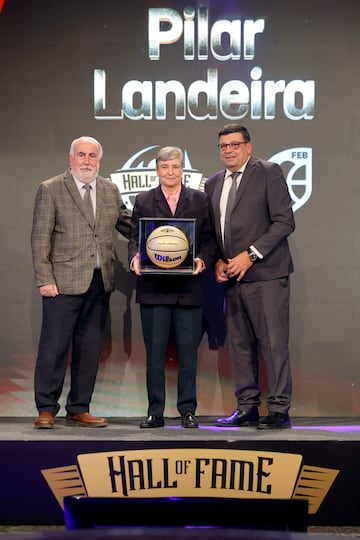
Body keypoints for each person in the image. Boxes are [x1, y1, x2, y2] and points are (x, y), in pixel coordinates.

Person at [31, 136, 131, 429]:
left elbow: (128, 223)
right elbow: (40, 239)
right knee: (54, 348)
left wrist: (165, 226)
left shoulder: (110, 190)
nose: (87, 161)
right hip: (61, 284)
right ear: (71, 158)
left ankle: (78, 408)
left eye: (92, 156)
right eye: (81, 155)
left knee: (88, 350)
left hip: (100, 283)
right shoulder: (51, 189)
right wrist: (44, 279)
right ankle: (47, 409)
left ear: (99, 159)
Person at [205, 124, 295, 429]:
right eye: (223, 146)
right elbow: (216, 232)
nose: (228, 150)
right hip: (232, 279)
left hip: (267, 276)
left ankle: (280, 409)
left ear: (248, 147)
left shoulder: (268, 172)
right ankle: (247, 408)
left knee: (273, 345)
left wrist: (251, 254)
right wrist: (218, 260)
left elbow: (284, 222)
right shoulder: (214, 182)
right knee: (240, 346)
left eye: (234, 144)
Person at [128, 146, 217, 429]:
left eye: (176, 167)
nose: (170, 172)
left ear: (182, 170)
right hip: (154, 289)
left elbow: (209, 239)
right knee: (154, 355)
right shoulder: (143, 200)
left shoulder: (200, 200)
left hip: (189, 289)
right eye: (165, 167)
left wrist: (202, 259)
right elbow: (134, 236)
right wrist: (135, 257)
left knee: (188, 354)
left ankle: (187, 410)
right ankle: (155, 412)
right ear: (157, 170)